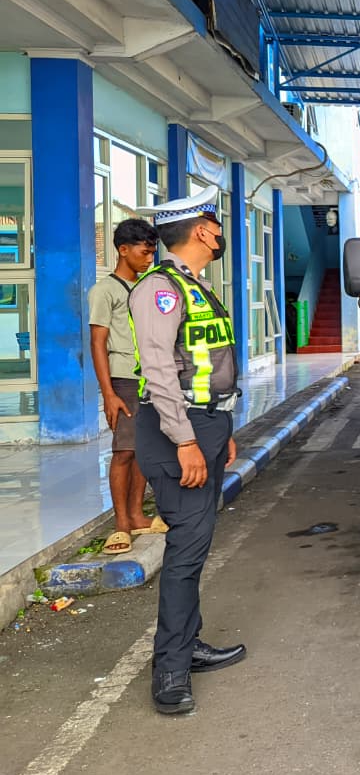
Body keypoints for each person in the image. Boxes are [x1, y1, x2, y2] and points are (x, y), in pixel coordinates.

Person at [130, 186, 246, 715]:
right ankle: (171, 669)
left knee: (195, 545)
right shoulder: (161, 289)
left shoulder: (191, 285)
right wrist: (186, 443)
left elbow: (205, 364)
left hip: (205, 425)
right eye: (216, 226)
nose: (220, 233)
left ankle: (188, 643)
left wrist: (221, 431)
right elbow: (157, 372)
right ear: (201, 230)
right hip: (178, 430)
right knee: (185, 550)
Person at [88, 218, 163, 555]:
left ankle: (136, 515)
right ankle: (121, 524)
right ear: (123, 249)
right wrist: (109, 394)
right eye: (144, 253)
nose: (149, 259)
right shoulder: (105, 291)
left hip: (149, 379)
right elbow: (97, 342)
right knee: (124, 451)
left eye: (152, 253)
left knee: (143, 451)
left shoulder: (147, 286)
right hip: (123, 379)